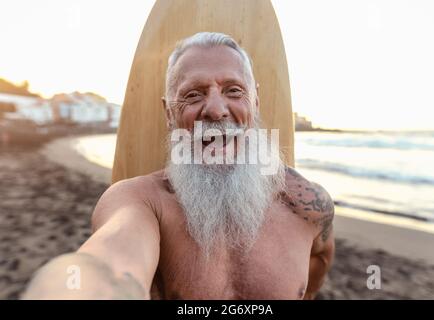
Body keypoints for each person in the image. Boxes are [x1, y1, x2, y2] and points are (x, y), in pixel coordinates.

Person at [23, 32, 335, 300]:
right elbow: (110, 260)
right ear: (169, 113)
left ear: (255, 103)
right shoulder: (142, 202)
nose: (215, 110)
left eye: (234, 91)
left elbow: (313, 275)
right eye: (193, 94)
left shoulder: (308, 206)